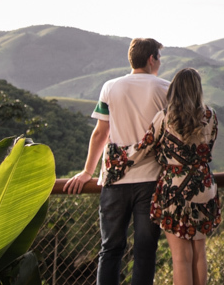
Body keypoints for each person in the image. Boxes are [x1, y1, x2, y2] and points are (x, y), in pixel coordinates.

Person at [64, 38, 169, 285]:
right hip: (152, 180)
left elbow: (101, 133)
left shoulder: (110, 87)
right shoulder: (166, 87)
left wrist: (87, 171)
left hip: (114, 179)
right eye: (159, 58)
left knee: (110, 248)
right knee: (145, 249)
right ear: (152, 59)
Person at [130, 67, 221, 285]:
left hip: (174, 189)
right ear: (198, 90)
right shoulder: (210, 116)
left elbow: (144, 147)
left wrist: (116, 158)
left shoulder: (164, 118)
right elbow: (209, 147)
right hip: (203, 187)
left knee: (181, 257)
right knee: (199, 252)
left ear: (174, 90)